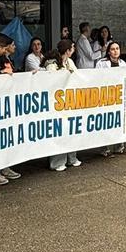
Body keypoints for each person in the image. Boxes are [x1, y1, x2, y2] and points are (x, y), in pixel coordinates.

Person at [44, 41, 82, 171]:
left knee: (71, 129)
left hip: (70, 101)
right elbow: (52, 81)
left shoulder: (69, 62)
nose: (74, 49)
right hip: (56, 102)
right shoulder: (52, 63)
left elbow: (77, 76)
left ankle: (72, 158)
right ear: (67, 50)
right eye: (72, 48)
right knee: (59, 131)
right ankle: (57, 162)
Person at [95, 42, 126, 156]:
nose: (115, 51)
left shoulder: (123, 63)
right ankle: (104, 148)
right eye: (113, 49)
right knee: (106, 122)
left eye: (117, 48)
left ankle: (119, 146)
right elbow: (96, 79)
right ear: (108, 51)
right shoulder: (101, 63)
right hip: (105, 96)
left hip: (118, 97)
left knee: (119, 121)